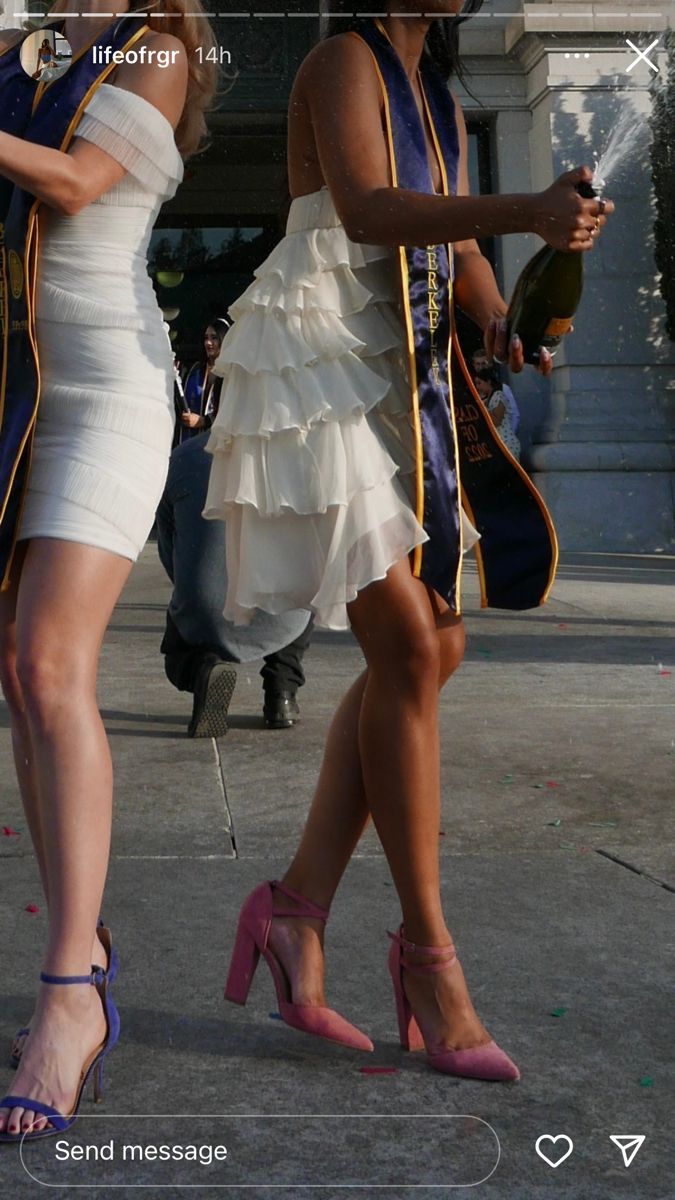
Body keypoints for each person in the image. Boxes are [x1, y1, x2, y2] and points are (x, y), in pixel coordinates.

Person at [204, 2, 612, 1080]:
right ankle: (430, 960)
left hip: (404, 355)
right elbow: (372, 207)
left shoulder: (434, 88)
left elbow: (459, 241)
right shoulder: (346, 57)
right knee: (405, 646)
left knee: (432, 647)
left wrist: (498, 319)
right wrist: (527, 204)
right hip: (323, 350)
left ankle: (295, 911)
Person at [0, 0, 217, 1141]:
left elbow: (77, 185)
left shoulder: (161, 43)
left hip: (110, 390)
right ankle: (77, 942)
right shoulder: (27, 42)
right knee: (17, 675)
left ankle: (69, 999)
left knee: (49, 665)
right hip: (16, 393)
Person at [156, 432, 313, 734]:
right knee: (304, 578)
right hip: (284, 613)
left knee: (178, 652)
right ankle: (282, 691)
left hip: (205, 610)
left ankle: (203, 669)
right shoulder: (301, 455)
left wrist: (195, 589)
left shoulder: (184, 457)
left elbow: (170, 550)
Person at [176, 318, 230, 444]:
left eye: (214, 338)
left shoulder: (231, 374)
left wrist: (204, 421)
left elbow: (232, 411)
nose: (208, 343)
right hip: (188, 440)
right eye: (206, 338)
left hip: (215, 443)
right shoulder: (194, 370)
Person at [472, 361, 521, 460]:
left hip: (507, 444)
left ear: (488, 382)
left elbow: (497, 421)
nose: (477, 387)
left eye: (479, 383)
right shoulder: (487, 399)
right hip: (497, 445)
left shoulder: (499, 395)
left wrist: (482, 408)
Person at [471, 345, 520, 435]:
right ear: (474, 365)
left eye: (484, 363)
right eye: (478, 364)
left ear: (489, 364)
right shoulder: (470, 389)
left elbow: (514, 414)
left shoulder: (502, 388)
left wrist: (508, 438)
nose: (481, 367)